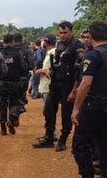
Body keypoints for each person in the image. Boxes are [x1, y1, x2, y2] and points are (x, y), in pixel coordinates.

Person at [67, 21, 107, 178]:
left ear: (90, 37)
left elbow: (85, 84)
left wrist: (76, 109)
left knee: (80, 142)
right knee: (106, 142)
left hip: (93, 105)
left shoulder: (93, 55)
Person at [33, 21, 84, 151]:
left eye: (65, 32)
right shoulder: (59, 44)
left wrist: (75, 89)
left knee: (66, 113)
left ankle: (63, 139)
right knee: (49, 110)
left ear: (71, 32)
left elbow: (79, 68)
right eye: (60, 33)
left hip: (68, 83)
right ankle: (49, 137)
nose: (62, 35)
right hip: (55, 82)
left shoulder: (77, 46)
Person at [0, 34, 26, 135]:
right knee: (14, 102)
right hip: (14, 82)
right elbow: (23, 67)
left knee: (2, 104)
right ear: (13, 41)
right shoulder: (18, 53)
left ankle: (2, 128)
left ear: (3, 41)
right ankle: (11, 119)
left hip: (1, 82)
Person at [33, 34, 57, 143]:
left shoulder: (53, 53)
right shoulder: (49, 53)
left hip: (48, 86)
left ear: (45, 43)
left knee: (48, 111)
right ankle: (51, 133)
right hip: (45, 85)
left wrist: (41, 71)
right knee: (48, 111)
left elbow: (51, 69)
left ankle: (51, 134)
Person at [14, 33, 34, 113]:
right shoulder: (27, 49)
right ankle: (21, 106)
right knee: (22, 91)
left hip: (11, 75)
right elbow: (31, 64)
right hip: (23, 75)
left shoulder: (10, 49)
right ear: (22, 39)